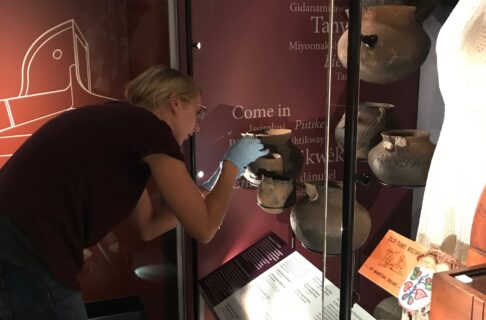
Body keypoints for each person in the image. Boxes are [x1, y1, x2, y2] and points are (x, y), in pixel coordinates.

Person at [0, 65, 269, 319]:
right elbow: (205, 229)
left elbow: (146, 226)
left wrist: (201, 193)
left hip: (17, 243)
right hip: (28, 251)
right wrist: (231, 165)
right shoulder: (150, 129)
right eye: (197, 112)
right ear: (175, 103)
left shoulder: (124, 126)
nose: (196, 126)